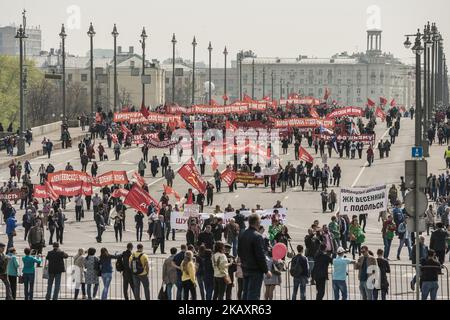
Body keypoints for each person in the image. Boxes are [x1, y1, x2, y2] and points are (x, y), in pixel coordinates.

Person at [238, 213, 271, 300]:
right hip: (255, 270)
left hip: (245, 268)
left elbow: (239, 252)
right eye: (260, 221)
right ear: (257, 222)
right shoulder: (258, 236)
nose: (260, 223)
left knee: (245, 293)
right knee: (253, 295)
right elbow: (260, 255)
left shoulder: (243, 234)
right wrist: (266, 270)